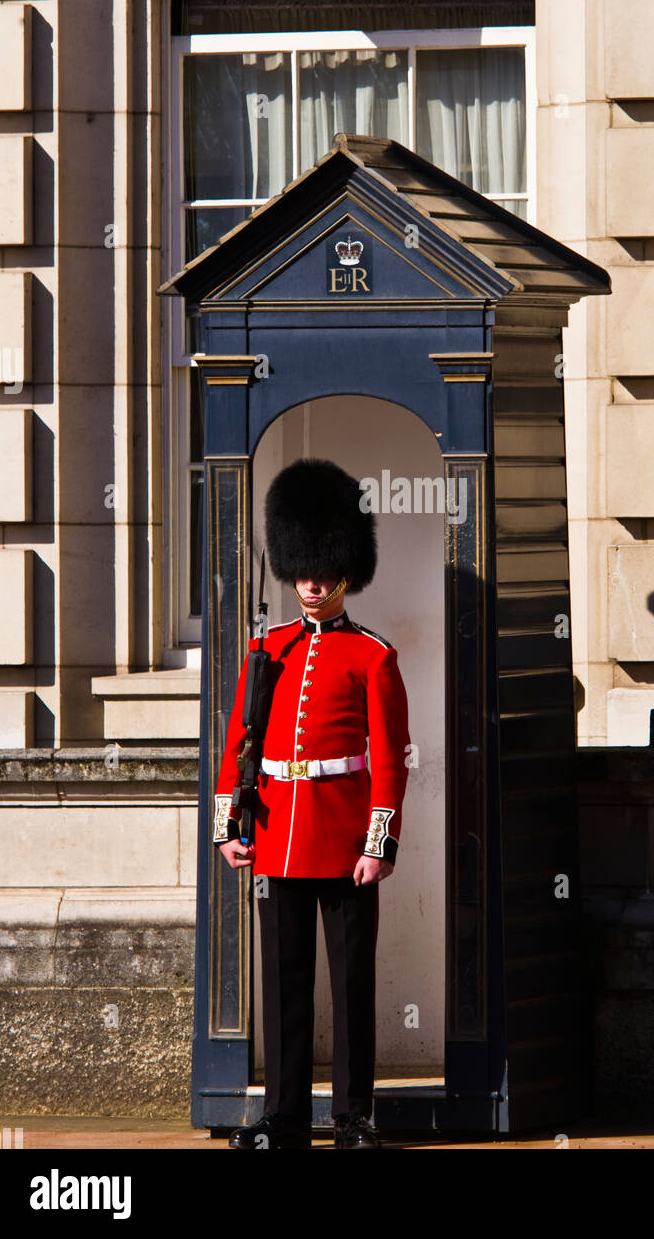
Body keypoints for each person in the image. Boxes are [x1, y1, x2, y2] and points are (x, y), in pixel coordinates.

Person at [213, 457, 411, 1150]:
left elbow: (388, 757)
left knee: (352, 984)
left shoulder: (372, 656)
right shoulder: (268, 648)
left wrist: (377, 842)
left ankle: (354, 1117)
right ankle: (285, 1115)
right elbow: (241, 739)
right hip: (276, 835)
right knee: (283, 982)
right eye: (302, 569)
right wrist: (226, 827)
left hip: (343, 836)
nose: (312, 582)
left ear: (344, 572)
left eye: (323, 570)